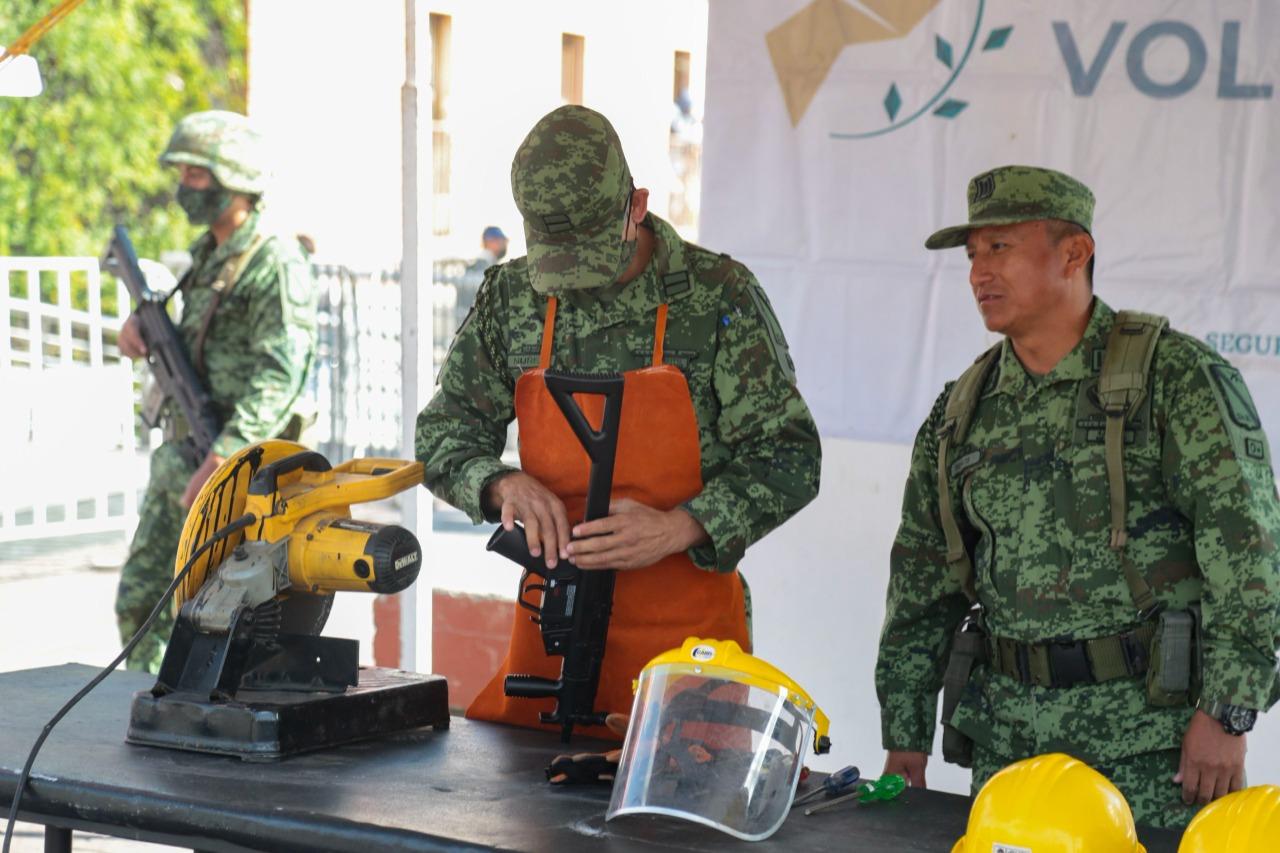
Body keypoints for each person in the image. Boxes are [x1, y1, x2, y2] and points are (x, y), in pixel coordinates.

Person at [875, 165, 1280, 828]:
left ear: (1074, 252)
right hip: (1010, 747)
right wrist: (905, 734)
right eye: (973, 254)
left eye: (1000, 248)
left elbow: (1251, 553)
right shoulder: (961, 410)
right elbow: (922, 579)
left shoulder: (1176, 379)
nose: (980, 272)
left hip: (1151, 748)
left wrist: (1229, 712)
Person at [416, 105, 821, 737]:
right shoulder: (510, 297)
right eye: (560, 261)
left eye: (590, 256)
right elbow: (443, 435)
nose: (573, 283)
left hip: (685, 642)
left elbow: (790, 457)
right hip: (551, 628)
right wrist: (501, 485)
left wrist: (682, 527)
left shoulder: (719, 297)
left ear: (637, 206)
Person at [115, 110, 318, 672]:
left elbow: (282, 372)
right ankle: (147, 704)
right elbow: (200, 345)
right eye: (182, 174)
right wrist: (144, 330)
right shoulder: (210, 252)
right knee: (140, 605)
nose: (185, 188)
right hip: (185, 457)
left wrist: (226, 453)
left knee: (226, 625)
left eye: (198, 176)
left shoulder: (274, 261)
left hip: (239, 472)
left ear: (235, 181)